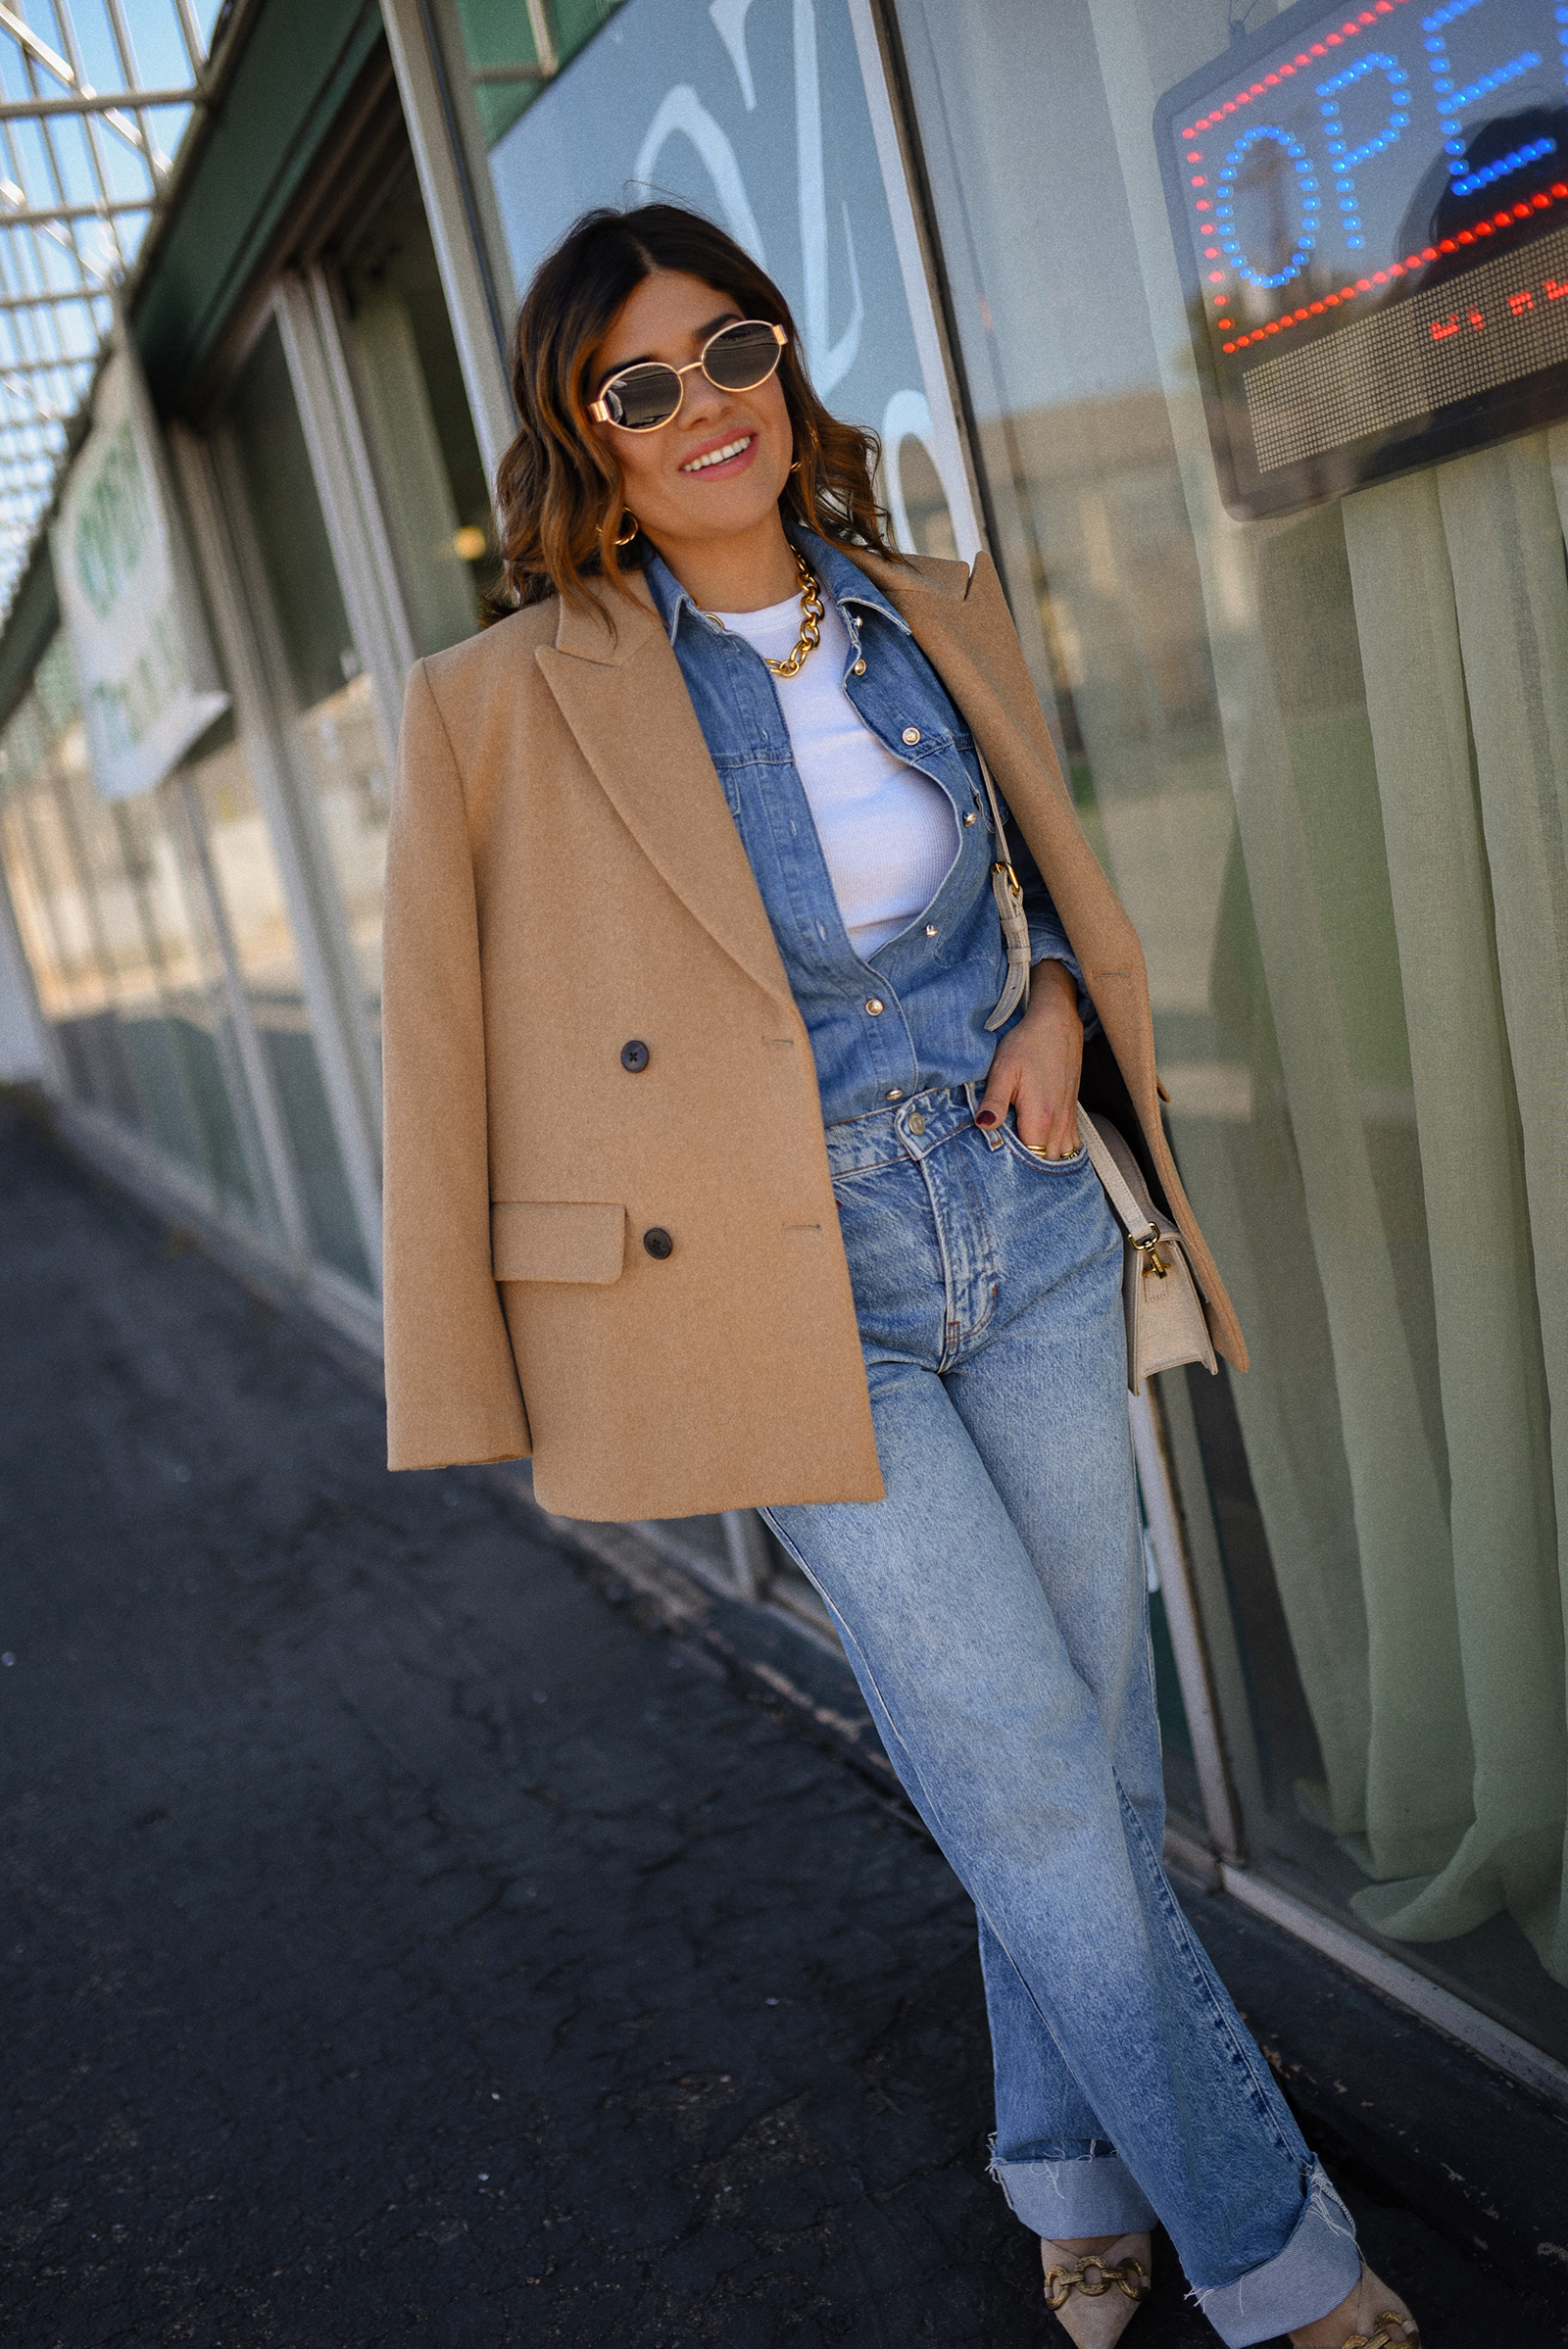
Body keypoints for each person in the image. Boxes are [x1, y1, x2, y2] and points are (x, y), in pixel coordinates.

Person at [380, 202, 1420, 2349]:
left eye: (729, 349)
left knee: (1084, 1746)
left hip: (1019, 1217)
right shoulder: (506, 702)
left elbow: (1025, 888)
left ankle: (1063, 2165)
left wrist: (1044, 1001)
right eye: (638, 384)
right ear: (581, 435)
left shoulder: (928, 608)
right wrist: (460, 1359)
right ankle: (1268, 2242)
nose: (701, 408)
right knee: (1026, 1770)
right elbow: (437, 1049)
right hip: (775, 1274)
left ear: (783, 366)